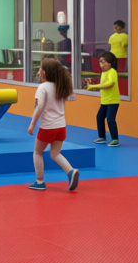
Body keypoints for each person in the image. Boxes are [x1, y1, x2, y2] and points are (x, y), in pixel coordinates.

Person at [27, 56, 80, 191]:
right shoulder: (59, 86)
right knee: (55, 153)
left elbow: (39, 107)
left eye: (40, 68)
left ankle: (40, 181)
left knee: (37, 152)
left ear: (45, 72)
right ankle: (70, 171)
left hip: (48, 127)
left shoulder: (43, 87)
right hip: (61, 127)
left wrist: (32, 124)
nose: (38, 71)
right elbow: (72, 97)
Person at [87, 51, 120, 146]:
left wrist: (94, 86)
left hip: (113, 101)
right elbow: (103, 85)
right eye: (99, 62)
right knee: (99, 117)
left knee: (110, 119)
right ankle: (102, 136)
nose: (100, 65)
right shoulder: (104, 73)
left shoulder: (112, 72)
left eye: (102, 62)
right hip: (105, 101)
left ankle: (115, 139)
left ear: (109, 63)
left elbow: (110, 84)